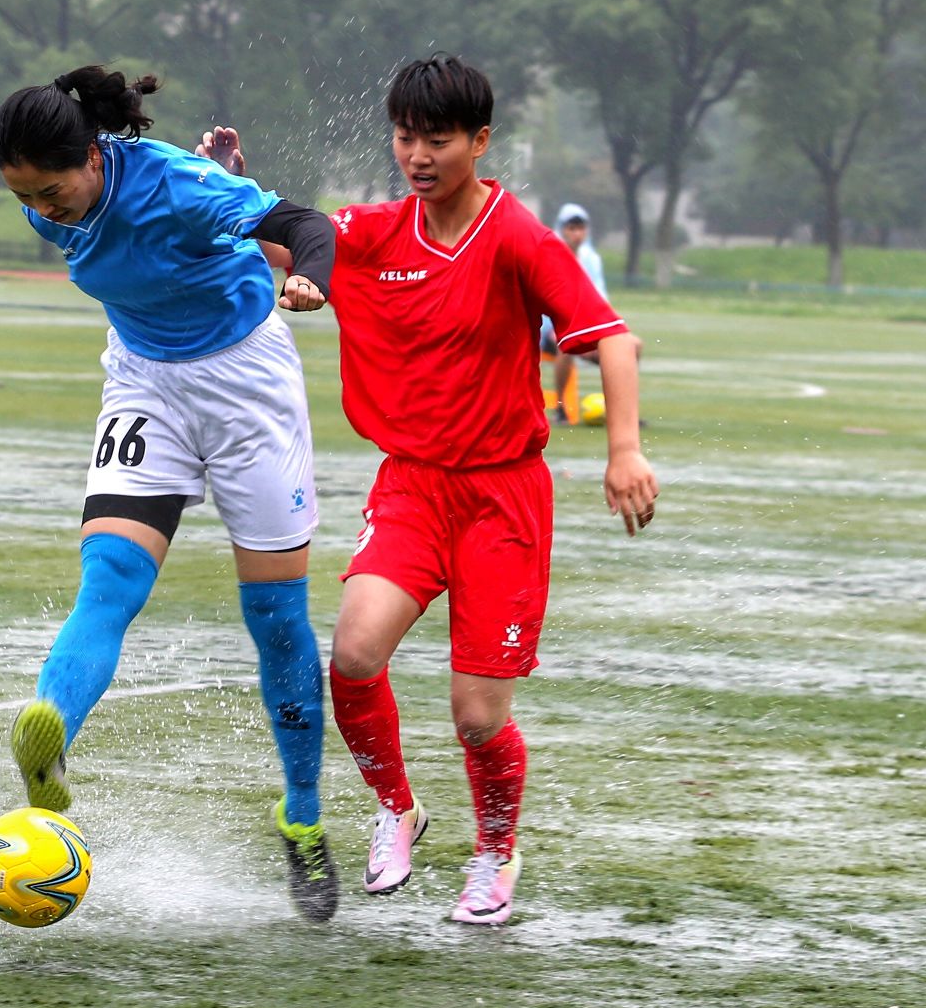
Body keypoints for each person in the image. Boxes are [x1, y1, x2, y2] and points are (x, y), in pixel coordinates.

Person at [266, 55, 656, 925]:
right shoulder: (373, 231)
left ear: (480, 141)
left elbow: (614, 341)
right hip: (410, 485)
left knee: (476, 713)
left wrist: (622, 451)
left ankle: (492, 855)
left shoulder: (517, 236)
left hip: (501, 498)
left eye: (436, 139)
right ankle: (397, 809)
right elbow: (287, 228)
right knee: (355, 653)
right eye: (404, 136)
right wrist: (242, 207)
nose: (417, 154)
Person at [0, 68, 344, 922]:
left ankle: (301, 817)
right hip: (145, 381)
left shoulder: (170, 182)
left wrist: (308, 275)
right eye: (25, 194)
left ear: (91, 155)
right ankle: (49, 756)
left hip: (245, 386)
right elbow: (143, 236)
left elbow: (303, 223)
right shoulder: (52, 199)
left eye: (53, 189)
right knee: (109, 578)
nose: (45, 209)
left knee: (275, 618)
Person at [539, 203, 610, 424]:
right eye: (571, 228)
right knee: (565, 343)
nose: (576, 233)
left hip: (584, 325)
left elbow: (600, 299)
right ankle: (560, 409)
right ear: (561, 229)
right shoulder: (548, 254)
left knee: (627, 346)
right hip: (550, 328)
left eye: (580, 228)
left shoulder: (591, 259)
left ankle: (624, 415)